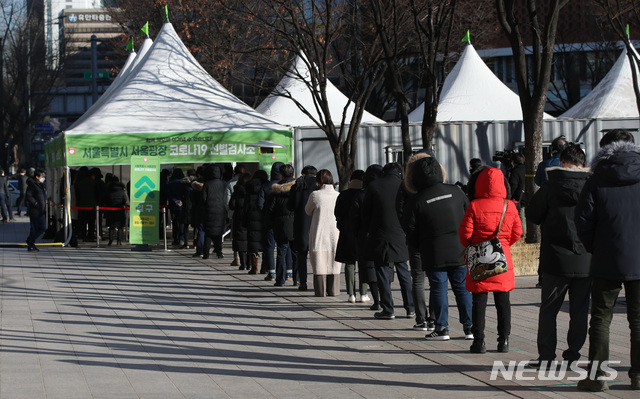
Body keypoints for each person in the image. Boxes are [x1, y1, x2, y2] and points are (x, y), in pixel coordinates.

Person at [575, 129, 640, 392]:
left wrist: (596, 247)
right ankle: (637, 376)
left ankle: (597, 376)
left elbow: (583, 220)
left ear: (604, 149)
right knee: (638, 319)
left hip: (607, 257)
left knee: (601, 318)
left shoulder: (596, 180)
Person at [526, 144, 592, 369]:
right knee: (580, 310)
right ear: (582, 164)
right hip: (586, 258)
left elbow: (533, 214)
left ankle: (546, 356)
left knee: (549, 310)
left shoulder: (550, 187)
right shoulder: (592, 187)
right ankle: (573, 354)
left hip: (555, 259)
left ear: (562, 163)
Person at [405, 156, 472, 341]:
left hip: (433, 251)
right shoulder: (456, 191)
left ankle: (442, 327)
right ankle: (470, 326)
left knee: (438, 289)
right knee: (462, 289)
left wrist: (419, 245)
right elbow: (469, 214)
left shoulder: (416, 200)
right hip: (459, 249)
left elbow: (409, 230)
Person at [459, 166, 522, 353]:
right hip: (502, 259)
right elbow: (518, 232)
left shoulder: (474, 206)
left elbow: (465, 235)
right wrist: (503, 244)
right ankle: (503, 341)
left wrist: (476, 243)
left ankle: (479, 342)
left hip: (480, 260)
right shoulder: (509, 205)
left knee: (479, 301)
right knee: (503, 302)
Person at [362, 162, 414, 320]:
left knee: (383, 272)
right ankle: (410, 308)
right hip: (401, 235)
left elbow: (366, 213)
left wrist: (366, 233)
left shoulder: (374, 186)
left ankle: (388, 308)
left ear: (384, 172)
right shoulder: (405, 186)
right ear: (399, 173)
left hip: (380, 234)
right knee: (404, 271)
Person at [397, 152, 435, 331]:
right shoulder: (438, 185)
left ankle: (421, 318)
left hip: (415, 239)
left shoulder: (406, 186)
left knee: (418, 279)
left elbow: (400, 211)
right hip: (436, 238)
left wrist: (409, 233)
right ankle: (434, 318)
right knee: (437, 279)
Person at [305, 169, 342, 297]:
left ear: (319, 181)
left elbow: (308, 210)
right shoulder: (337, 195)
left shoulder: (315, 195)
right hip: (334, 233)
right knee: (334, 262)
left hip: (319, 233)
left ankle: (320, 291)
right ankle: (334, 290)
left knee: (319, 263)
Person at [335, 169, 369, 303]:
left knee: (349, 263)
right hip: (362, 233)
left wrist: (342, 227)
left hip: (346, 233)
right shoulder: (365, 194)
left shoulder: (342, 195)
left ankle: (351, 295)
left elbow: (337, 214)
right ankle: (364, 293)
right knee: (363, 263)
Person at [354, 165, 384, 309]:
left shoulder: (361, 194)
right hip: (383, 234)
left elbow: (356, 217)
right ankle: (385, 299)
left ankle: (377, 301)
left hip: (365, 236)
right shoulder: (384, 191)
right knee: (385, 268)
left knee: (369, 267)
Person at [287, 165, 317, 291]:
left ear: (303, 174)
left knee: (301, 255)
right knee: (317, 256)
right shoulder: (319, 185)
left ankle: (302, 281)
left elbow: (290, 206)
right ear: (315, 175)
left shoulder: (297, 185)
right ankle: (319, 282)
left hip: (301, 224)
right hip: (316, 224)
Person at [266, 164, 296, 286]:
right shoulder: (297, 188)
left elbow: (270, 209)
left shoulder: (276, 191)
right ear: (293, 174)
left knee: (281, 252)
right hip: (295, 224)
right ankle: (297, 279)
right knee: (295, 252)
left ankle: (280, 279)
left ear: (281, 175)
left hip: (280, 224)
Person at [258, 162, 284, 281]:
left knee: (269, 246)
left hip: (269, 220)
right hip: (284, 220)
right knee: (284, 247)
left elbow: (260, 204)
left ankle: (271, 272)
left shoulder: (265, 186)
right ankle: (288, 272)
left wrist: (265, 213)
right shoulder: (286, 185)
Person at [243, 170, 269, 274]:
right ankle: (264, 267)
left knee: (253, 243)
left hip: (251, 218)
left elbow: (245, 206)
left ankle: (254, 267)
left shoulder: (248, 187)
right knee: (265, 243)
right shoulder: (267, 186)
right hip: (264, 218)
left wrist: (244, 220)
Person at [201, 165, 227, 259]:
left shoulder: (207, 184)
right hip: (221, 211)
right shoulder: (224, 184)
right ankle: (219, 252)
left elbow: (203, 198)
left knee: (208, 234)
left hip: (209, 211)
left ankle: (206, 253)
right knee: (218, 233)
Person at [229, 172, 251, 270]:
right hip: (250, 217)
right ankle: (250, 263)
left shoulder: (236, 191)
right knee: (250, 240)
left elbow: (232, 205)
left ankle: (243, 264)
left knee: (240, 240)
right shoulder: (252, 190)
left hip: (239, 217)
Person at [226, 164, 246, 266]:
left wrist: (228, 211)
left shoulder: (230, 183)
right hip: (248, 213)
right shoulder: (249, 183)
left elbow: (227, 201)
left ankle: (237, 258)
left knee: (236, 236)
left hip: (235, 213)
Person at [25, 169, 47, 252]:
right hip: (35, 210)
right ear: (37, 177)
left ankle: (30, 240)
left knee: (43, 228)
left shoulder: (40, 185)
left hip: (41, 210)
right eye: (42, 176)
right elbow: (28, 196)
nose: (43, 178)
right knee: (34, 228)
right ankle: (31, 243)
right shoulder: (32, 185)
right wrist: (36, 204)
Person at [105, 176, 129, 245]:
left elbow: (105, 199)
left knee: (111, 227)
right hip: (120, 210)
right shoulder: (122, 191)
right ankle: (119, 241)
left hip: (110, 210)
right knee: (120, 226)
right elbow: (124, 199)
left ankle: (110, 240)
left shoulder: (108, 190)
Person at [508, 153, 526, 238]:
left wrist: (511, 197)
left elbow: (513, 185)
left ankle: (522, 233)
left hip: (519, 198)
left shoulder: (515, 172)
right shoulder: (527, 168)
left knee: (520, 216)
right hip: (527, 196)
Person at [166, 168, 185, 247]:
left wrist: (175, 201)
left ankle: (175, 238)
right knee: (181, 222)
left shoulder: (169, 183)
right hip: (182, 205)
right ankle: (182, 238)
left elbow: (168, 194)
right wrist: (181, 201)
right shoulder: (183, 183)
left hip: (173, 205)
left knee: (174, 222)